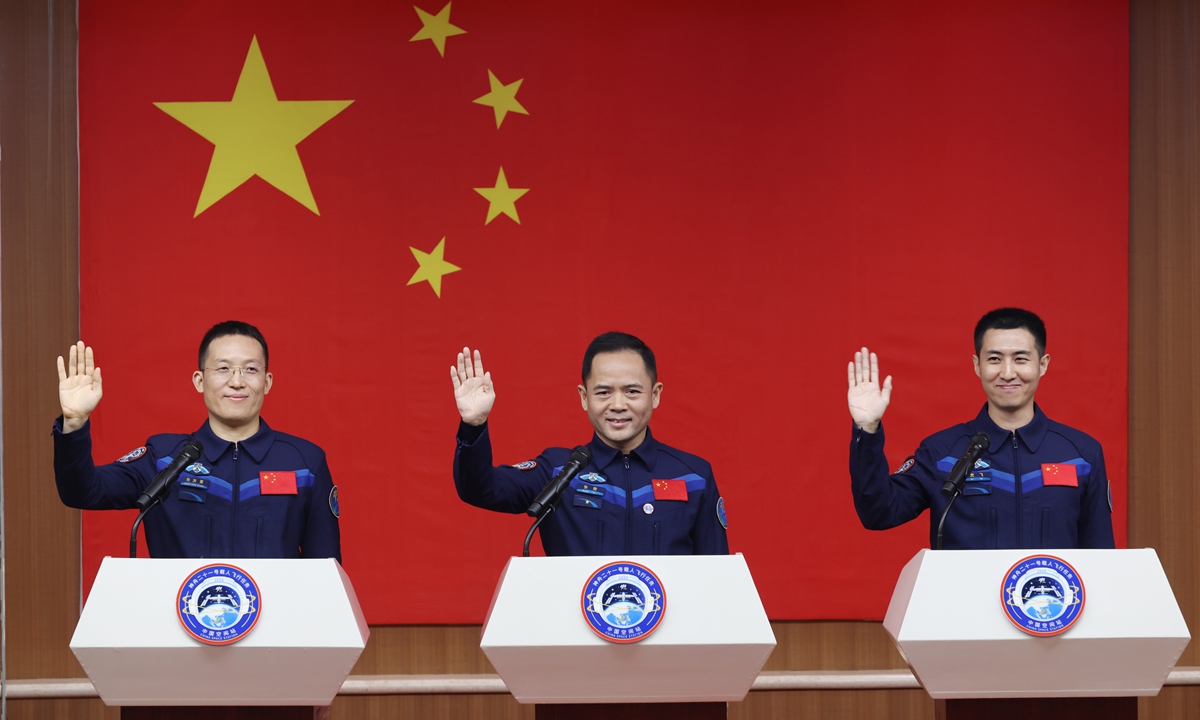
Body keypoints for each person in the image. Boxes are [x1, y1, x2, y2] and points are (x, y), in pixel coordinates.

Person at [53, 321, 341, 561]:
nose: (237, 381)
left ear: (267, 382)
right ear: (199, 380)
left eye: (251, 369)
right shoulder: (164, 459)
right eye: (223, 368)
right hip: (178, 623)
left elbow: (327, 570)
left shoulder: (304, 463)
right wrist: (75, 425)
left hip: (275, 627)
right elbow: (83, 492)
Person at [846, 308, 1114, 549]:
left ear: (1042, 365)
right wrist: (867, 430)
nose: (1008, 373)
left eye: (1020, 359)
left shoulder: (1081, 454)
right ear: (977, 365)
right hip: (965, 605)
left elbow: (1101, 554)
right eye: (995, 359)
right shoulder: (943, 453)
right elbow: (879, 512)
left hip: (1050, 603)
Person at [451, 332, 728, 555]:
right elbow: (481, 489)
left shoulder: (694, 476)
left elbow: (718, 577)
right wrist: (474, 425)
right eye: (603, 392)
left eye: (632, 391)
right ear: (584, 397)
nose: (618, 405)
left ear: (655, 395)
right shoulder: (558, 471)